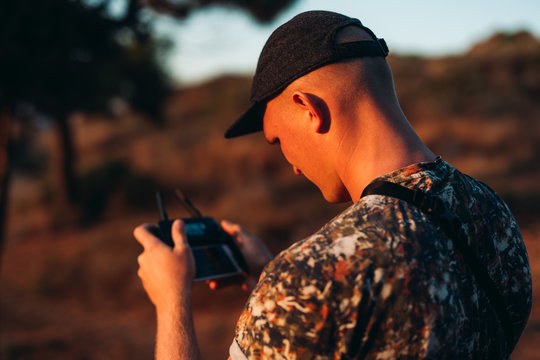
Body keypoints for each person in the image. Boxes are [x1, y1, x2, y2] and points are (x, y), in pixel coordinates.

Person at [134, 10, 532, 359]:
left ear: (309, 109)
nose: (289, 164)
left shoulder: (311, 280)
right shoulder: (492, 212)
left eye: (278, 140)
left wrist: (173, 303)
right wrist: (267, 277)